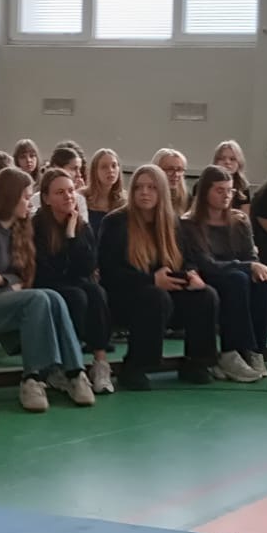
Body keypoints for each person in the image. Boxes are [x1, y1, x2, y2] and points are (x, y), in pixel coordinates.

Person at [0, 168, 92, 414]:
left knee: (54, 297)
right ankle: (32, 378)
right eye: (26, 197)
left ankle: (74, 372)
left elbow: (23, 278)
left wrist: (0, 279)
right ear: (10, 198)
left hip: (2, 302)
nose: (31, 203)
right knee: (37, 298)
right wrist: (7, 285)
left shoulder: (18, 230)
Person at [98, 164, 217, 391]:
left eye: (152, 187)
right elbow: (110, 273)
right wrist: (151, 280)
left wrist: (192, 275)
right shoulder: (115, 222)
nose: (144, 192)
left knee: (205, 295)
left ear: (161, 191)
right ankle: (136, 366)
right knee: (155, 296)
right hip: (125, 296)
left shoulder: (173, 222)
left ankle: (197, 362)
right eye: (139, 187)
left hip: (165, 292)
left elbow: (187, 259)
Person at [180, 165, 267, 383]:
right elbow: (206, 264)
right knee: (237, 279)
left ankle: (255, 350)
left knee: (266, 283)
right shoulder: (189, 223)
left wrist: (254, 267)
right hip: (210, 277)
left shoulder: (239, 220)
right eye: (220, 190)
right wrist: (247, 266)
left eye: (230, 190)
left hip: (238, 273)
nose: (226, 195)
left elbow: (250, 255)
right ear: (205, 192)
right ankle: (230, 351)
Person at [33, 168, 113, 396]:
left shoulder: (81, 225)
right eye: (60, 192)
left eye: (70, 191)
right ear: (46, 198)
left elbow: (88, 266)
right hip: (47, 283)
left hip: (74, 280)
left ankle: (100, 363)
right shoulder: (36, 226)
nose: (68, 196)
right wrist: (68, 239)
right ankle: (64, 365)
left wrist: (71, 235)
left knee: (96, 293)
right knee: (77, 297)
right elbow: (50, 270)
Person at [85, 148, 125, 229]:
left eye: (114, 166)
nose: (110, 170)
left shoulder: (125, 202)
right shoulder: (83, 200)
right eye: (104, 167)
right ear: (95, 171)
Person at [212, 140, 253, 210]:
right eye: (222, 158)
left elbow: (245, 215)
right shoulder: (202, 183)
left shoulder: (243, 187)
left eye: (232, 159)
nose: (227, 162)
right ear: (216, 162)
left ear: (239, 163)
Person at [153, 148, 191, 217]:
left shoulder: (188, 200)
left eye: (179, 169)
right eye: (170, 169)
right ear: (156, 169)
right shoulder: (147, 196)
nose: (176, 174)